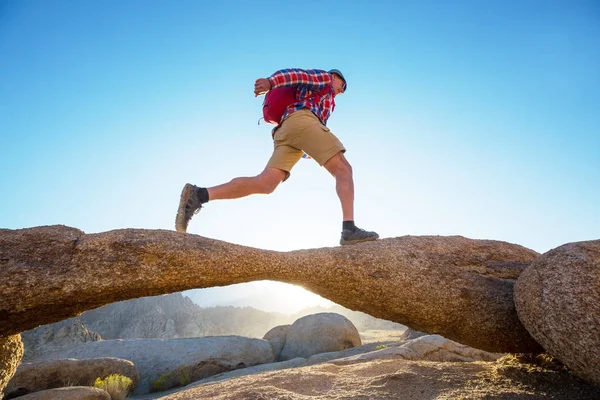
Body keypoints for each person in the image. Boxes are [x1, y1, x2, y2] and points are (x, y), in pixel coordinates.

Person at [175, 68, 379, 245]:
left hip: (286, 131)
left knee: (265, 183)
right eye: (343, 86)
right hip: (301, 121)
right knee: (344, 169)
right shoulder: (325, 78)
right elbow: (299, 75)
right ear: (336, 77)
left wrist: (310, 151)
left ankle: (199, 195)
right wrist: (271, 83)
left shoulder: (328, 102)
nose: (341, 91)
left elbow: (311, 134)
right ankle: (349, 230)